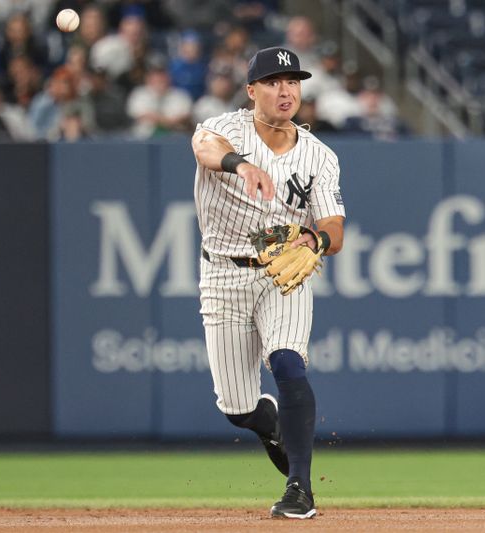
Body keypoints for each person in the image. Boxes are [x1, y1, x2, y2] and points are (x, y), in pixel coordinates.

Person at [190, 46, 345, 519]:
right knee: (235, 407)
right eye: (275, 81)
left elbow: (335, 227)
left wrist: (316, 241)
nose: (286, 90)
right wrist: (242, 165)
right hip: (223, 271)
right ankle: (269, 422)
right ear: (252, 90)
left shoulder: (319, 155)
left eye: (293, 82)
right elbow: (204, 148)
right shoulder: (224, 129)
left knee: (288, 363)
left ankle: (300, 488)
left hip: (284, 274)